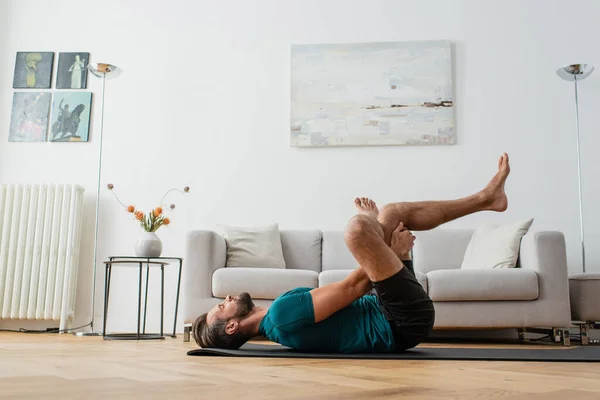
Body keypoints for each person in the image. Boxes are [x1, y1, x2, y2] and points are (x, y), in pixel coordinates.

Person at [193, 153, 511, 353]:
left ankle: (487, 198)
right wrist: (388, 249)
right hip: (399, 321)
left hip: (393, 314)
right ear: (232, 327)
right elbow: (354, 286)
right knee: (357, 230)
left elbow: (360, 295)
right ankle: (484, 198)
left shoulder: (279, 322)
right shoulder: (280, 316)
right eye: (221, 308)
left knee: (393, 212)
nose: (226, 299)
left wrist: (398, 257)